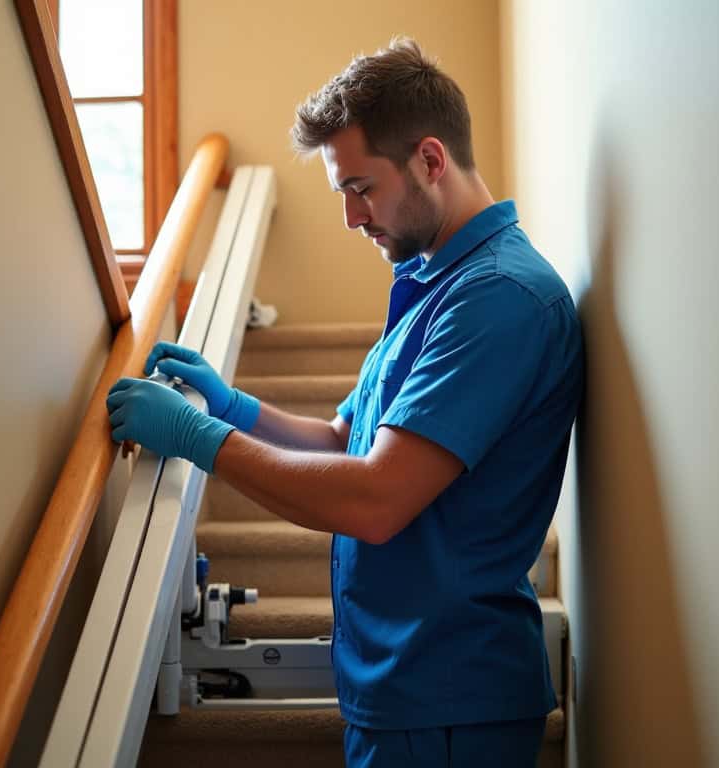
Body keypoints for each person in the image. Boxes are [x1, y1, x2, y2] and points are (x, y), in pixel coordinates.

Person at [105, 37, 584, 768]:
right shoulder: (436, 285)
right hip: (401, 690)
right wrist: (233, 406)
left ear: (430, 160)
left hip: (451, 698)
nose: (352, 218)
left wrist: (201, 439)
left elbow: (374, 499)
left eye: (361, 188)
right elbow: (341, 442)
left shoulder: (498, 299)